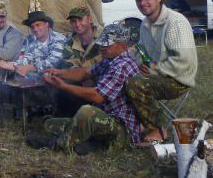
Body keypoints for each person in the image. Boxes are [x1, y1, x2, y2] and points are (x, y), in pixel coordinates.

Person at [36, 23, 142, 154]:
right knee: (51, 125)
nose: (102, 48)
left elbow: (97, 96)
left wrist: (64, 86)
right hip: (105, 118)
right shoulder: (110, 60)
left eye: (107, 45)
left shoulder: (122, 65)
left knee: (87, 112)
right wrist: (59, 72)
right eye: (102, 44)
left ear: (122, 46)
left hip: (121, 128)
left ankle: (59, 145)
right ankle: (90, 144)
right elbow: (85, 72)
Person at [125, 0, 198, 145]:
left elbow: (183, 61)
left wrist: (154, 70)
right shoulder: (145, 23)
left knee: (135, 84)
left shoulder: (175, 22)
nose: (142, 3)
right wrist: (137, 63)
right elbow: (140, 50)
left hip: (178, 79)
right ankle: (141, 124)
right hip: (157, 75)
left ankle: (158, 130)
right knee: (123, 76)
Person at [0, 10, 67, 115]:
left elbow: (53, 61)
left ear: (47, 24)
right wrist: (2, 64)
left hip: (54, 78)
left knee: (46, 75)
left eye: (38, 25)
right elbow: (23, 60)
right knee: (13, 77)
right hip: (34, 79)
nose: (35, 29)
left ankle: (51, 108)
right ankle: (27, 106)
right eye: (32, 27)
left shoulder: (59, 39)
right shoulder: (30, 41)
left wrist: (29, 68)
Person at [56, 6, 102, 116]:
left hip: (102, 81)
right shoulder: (70, 42)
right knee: (62, 87)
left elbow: (110, 62)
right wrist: (81, 77)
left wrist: (89, 76)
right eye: (73, 21)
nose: (77, 24)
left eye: (80, 19)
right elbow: (68, 65)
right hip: (80, 82)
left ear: (90, 19)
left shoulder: (103, 36)